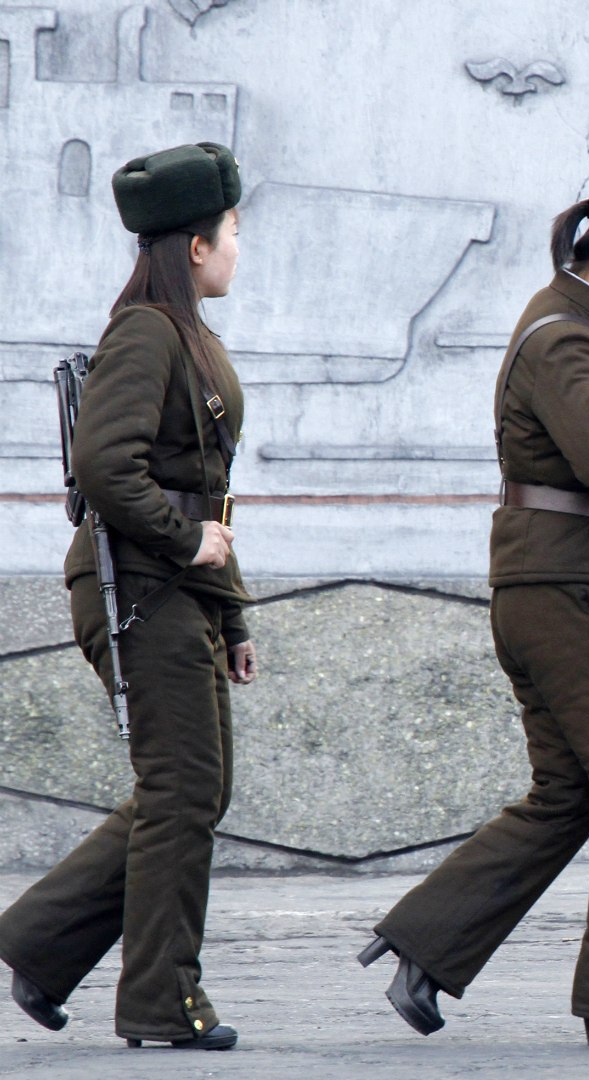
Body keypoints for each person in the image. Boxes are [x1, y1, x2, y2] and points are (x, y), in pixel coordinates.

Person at [357, 159, 589, 1049]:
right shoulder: (567, 337)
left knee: (568, 794)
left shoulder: (583, 328)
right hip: (571, 593)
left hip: (559, 584)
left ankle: (426, 945)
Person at [0, 142, 256, 1051]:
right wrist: (188, 544)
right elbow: (106, 469)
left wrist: (231, 613)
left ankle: (40, 940)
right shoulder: (147, 331)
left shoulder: (187, 332)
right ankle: (160, 999)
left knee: (194, 787)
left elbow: (204, 487)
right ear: (196, 245)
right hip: (139, 587)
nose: (238, 247)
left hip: (179, 587)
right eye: (232, 231)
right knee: (183, 787)